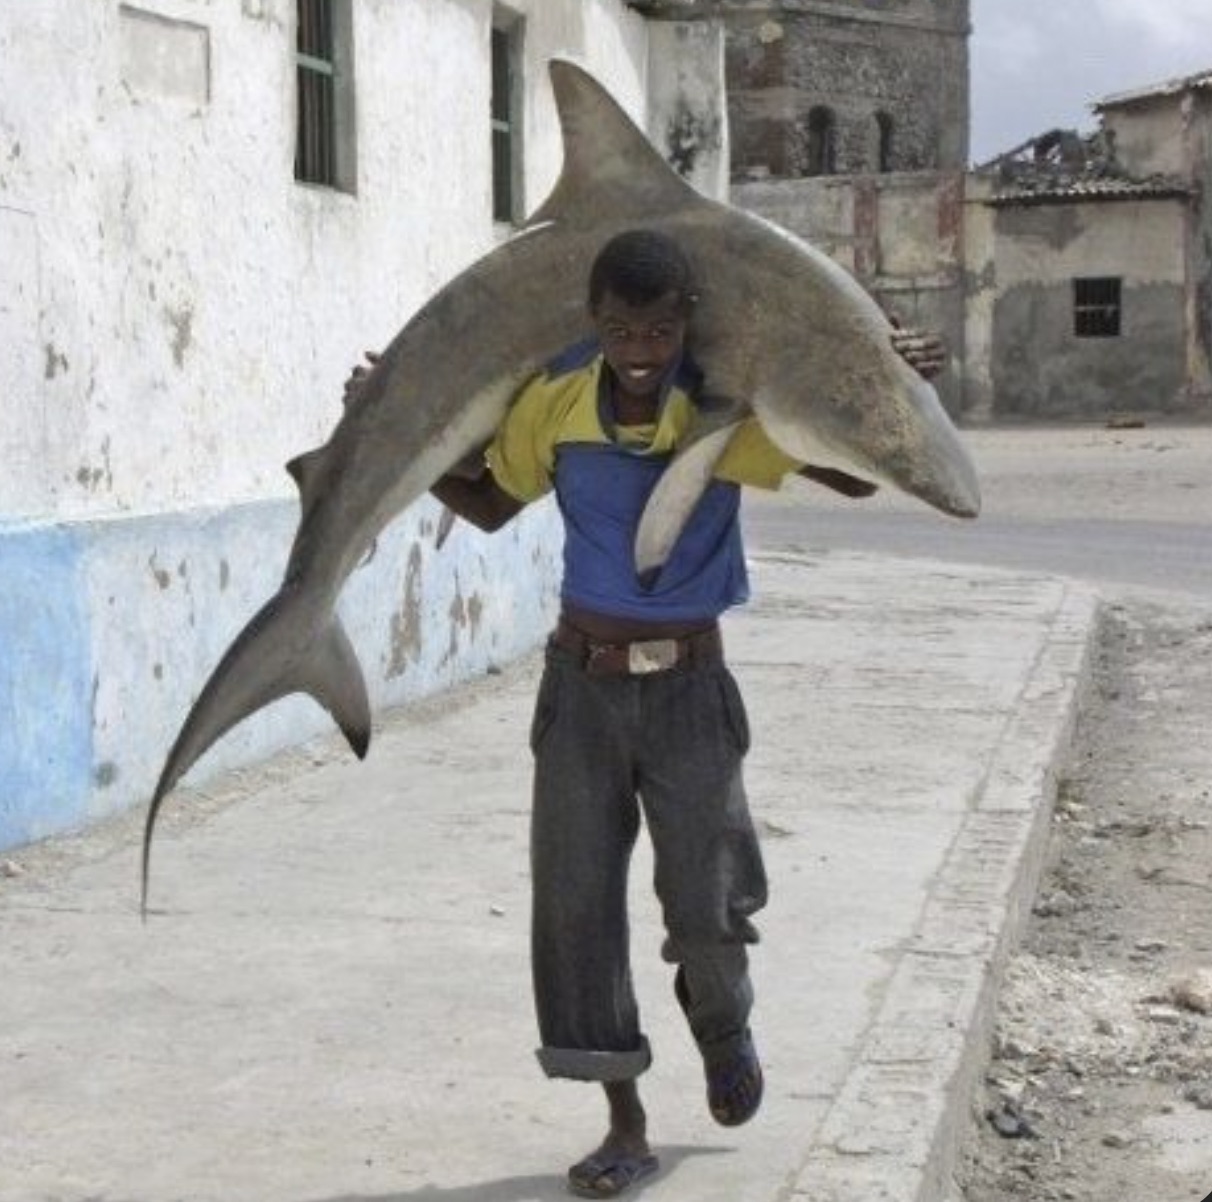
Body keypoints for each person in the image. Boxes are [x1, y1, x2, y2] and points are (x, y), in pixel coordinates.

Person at [347, 229, 944, 1199]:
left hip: (690, 693)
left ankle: (723, 1025)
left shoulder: (716, 411)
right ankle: (623, 1120)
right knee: (575, 911)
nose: (638, 348)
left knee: (707, 904)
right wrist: (389, 417)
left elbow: (848, 469)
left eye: (659, 329)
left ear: (683, 328)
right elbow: (492, 501)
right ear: (596, 323)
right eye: (621, 327)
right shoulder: (558, 404)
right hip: (581, 691)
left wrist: (884, 378)